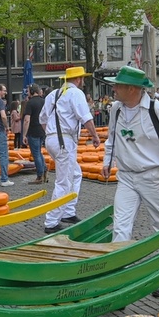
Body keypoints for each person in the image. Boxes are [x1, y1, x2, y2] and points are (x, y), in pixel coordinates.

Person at [99, 66, 159, 298]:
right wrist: (107, 159)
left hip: (153, 176)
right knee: (121, 226)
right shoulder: (116, 110)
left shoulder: (158, 110)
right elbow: (112, 137)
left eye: (118, 85)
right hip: (126, 177)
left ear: (132, 89)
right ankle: (117, 279)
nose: (113, 89)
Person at [39, 66, 102, 234]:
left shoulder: (53, 94)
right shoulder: (76, 94)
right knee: (64, 182)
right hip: (64, 141)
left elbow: (42, 119)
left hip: (53, 139)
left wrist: (51, 134)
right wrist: (95, 136)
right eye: (82, 79)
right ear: (79, 79)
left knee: (75, 174)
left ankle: (68, 211)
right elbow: (86, 117)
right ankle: (51, 222)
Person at [20, 85, 48, 184]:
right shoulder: (44, 101)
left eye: (28, 91)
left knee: (36, 154)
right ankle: (44, 170)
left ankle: (39, 176)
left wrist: (24, 134)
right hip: (42, 130)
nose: (27, 93)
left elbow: (27, 120)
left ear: (32, 91)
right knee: (39, 152)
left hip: (33, 131)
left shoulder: (30, 103)